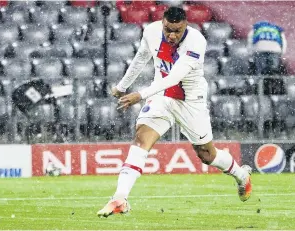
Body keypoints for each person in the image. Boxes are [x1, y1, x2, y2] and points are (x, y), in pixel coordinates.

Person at [97, 6, 252, 218]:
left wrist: (138, 95)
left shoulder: (197, 42)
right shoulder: (151, 32)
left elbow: (174, 78)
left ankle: (241, 175)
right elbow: (141, 58)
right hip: (161, 95)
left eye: (177, 31)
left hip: (190, 101)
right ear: (162, 22)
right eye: (168, 29)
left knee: (206, 155)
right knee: (141, 140)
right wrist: (123, 86)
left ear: (185, 26)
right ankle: (119, 198)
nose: (171, 35)